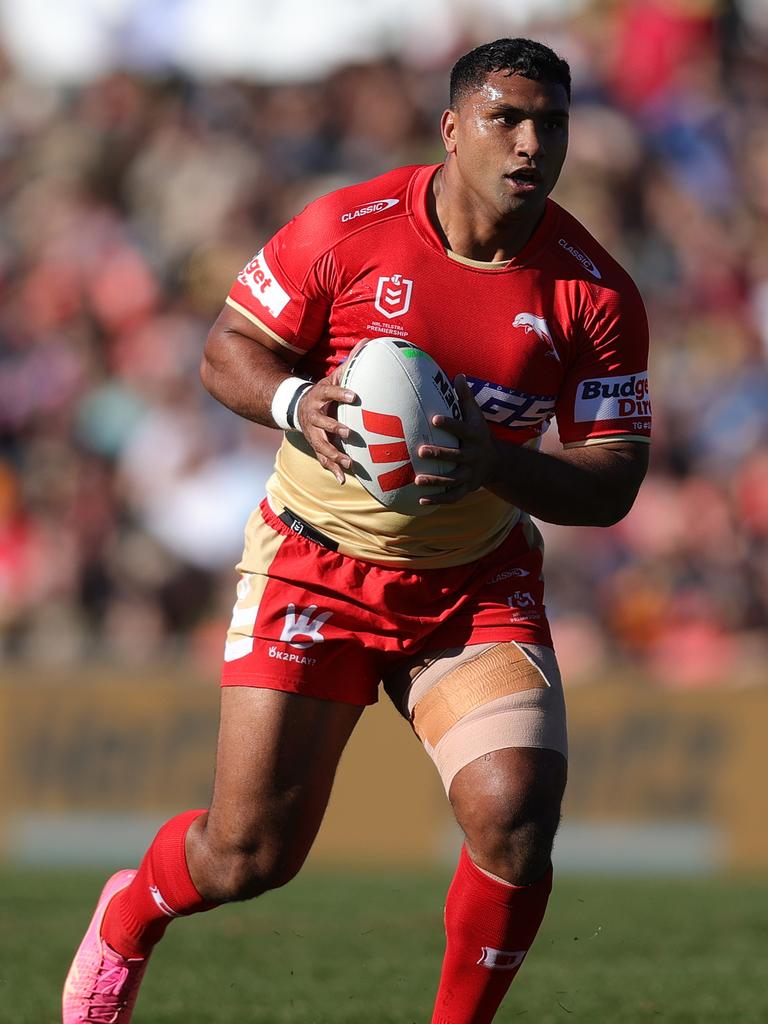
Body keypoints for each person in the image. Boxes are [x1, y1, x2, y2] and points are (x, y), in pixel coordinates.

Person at [63, 37, 650, 1024]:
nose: (530, 142)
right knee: (247, 856)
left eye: (550, 122)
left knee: (515, 815)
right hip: (314, 566)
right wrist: (295, 400)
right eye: (506, 117)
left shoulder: (593, 290)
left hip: (472, 585)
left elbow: (614, 479)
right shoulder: (350, 227)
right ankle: (129, 915)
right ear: (452, 129)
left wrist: (495, 463)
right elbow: (225, 351)